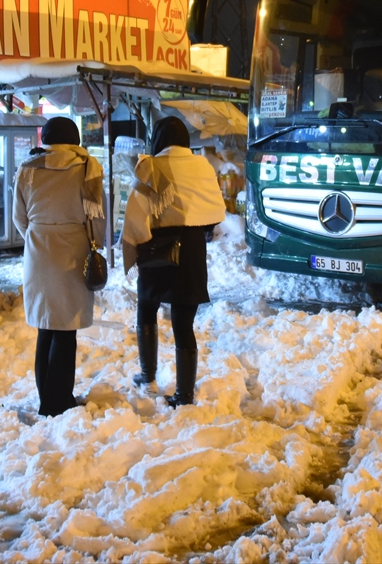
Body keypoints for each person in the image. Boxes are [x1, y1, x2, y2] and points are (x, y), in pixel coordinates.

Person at [121, 116, 226, 407]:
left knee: (146, 307)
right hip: (190, 251)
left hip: (157, 248)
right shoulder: (202, 166)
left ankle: (147, 374)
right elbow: (216, 209)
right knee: (183, 322)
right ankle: (184, 395)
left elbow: (136, 212)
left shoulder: (151, 167)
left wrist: (135, 242)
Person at [13, 117, 106, 417]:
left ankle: (47, 398)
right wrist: (96, 243)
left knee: (46, 328)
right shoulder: (88, 170)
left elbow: (19, 217)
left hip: (39, 250)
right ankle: (58, 402)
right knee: (66, 330)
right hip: (74, 251)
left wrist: (37, 234)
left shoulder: (28, 169)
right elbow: (97, 217)